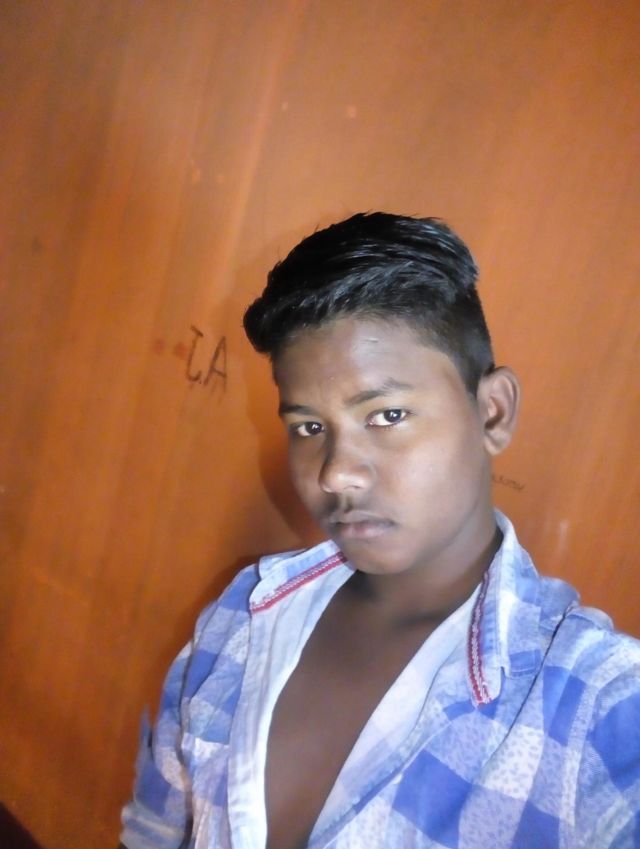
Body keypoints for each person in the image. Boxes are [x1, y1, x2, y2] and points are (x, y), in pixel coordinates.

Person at [119, 213, 640, 849]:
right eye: (309, 427)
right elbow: (153, 830)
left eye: (387, 415)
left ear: (492, 412)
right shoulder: (245, 613)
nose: (336, 473)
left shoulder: (596, 706)